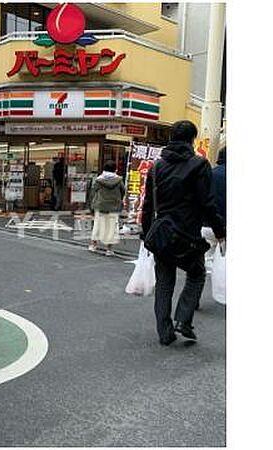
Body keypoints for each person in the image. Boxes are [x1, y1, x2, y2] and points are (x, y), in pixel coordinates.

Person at [141, 121, 226, 346]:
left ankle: (164, 332)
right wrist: (220, 231)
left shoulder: (156, 167)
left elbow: (148, 205)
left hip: (161, 234)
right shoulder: (199, 165)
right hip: (188, 235)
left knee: (164, 283)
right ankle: (183, 320)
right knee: (196, 275)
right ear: (192, 140)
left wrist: (145, 234)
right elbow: (208, 204)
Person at [88, 161, 125, 256]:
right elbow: (123, 191)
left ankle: (93, 245)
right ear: (115, 169)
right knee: (111, 228)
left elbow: (93, 192)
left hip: (100, 205)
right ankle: (109, 249)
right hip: (114, 206)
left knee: (98, 225)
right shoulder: (119, 180)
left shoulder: (99, 180)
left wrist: (91, 204)